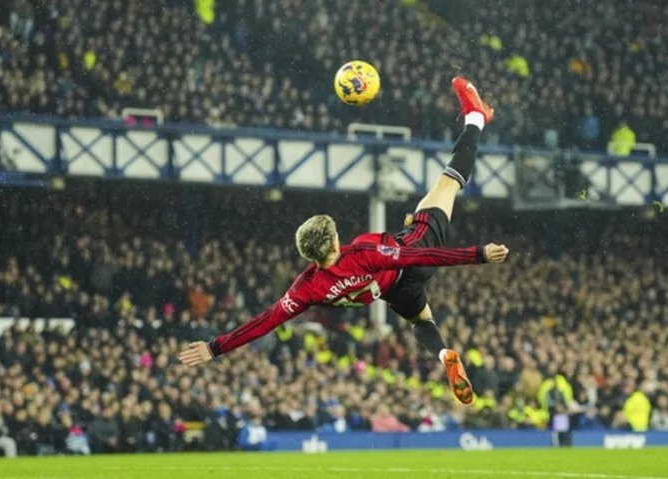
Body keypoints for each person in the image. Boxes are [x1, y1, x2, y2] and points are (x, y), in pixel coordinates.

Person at [179, 77, 509, 405]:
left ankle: (442, 353)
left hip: (395, 293)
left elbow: (264, 321)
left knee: (422, 320)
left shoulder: (306, 288)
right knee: (448, 183)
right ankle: (475, 117)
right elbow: (416, 257)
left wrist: (215, 347)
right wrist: (478, 253)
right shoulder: (362, 252)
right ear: (336, 242)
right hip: (412, 257)